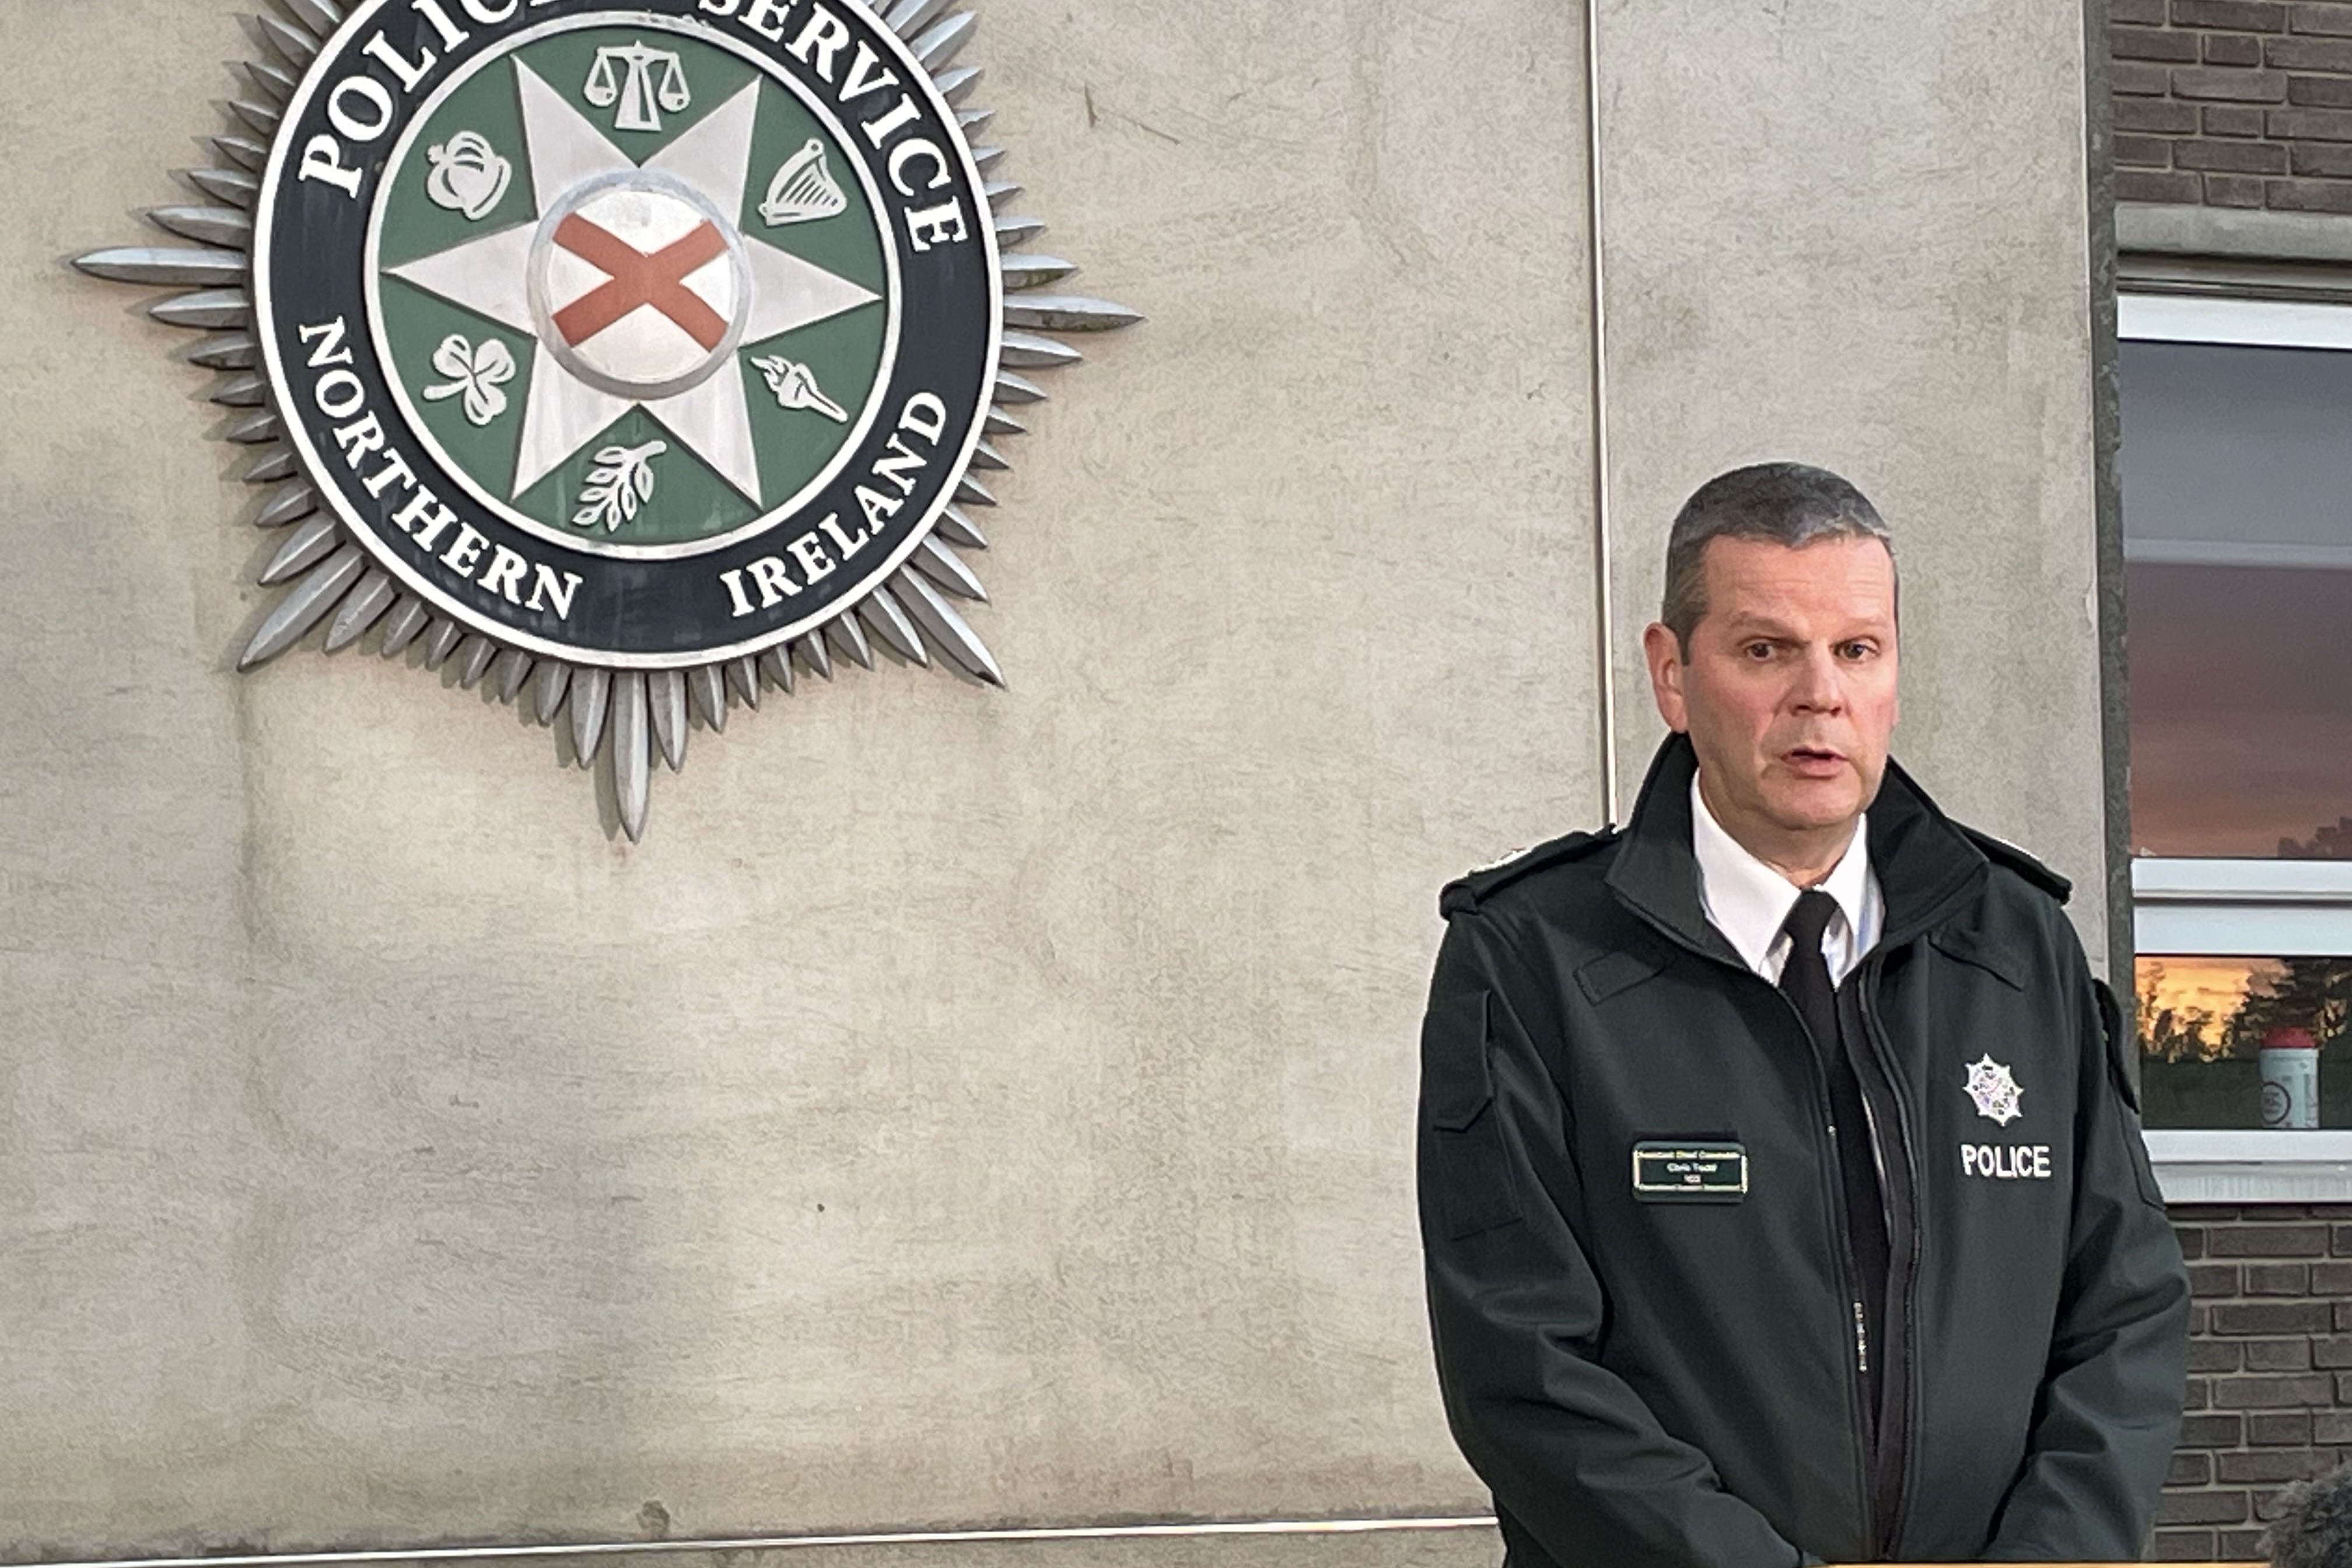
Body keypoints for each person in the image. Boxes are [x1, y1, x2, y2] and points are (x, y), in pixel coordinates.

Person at [1416, 463, 2189, 1566]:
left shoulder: (2017, 948)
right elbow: (1523, 1367)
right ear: (1672, 675)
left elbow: (2126, 1307)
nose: (1819, 695)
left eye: (1857, 650)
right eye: (1766, 649)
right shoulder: (1533, 958)